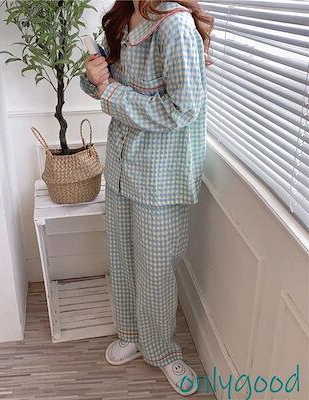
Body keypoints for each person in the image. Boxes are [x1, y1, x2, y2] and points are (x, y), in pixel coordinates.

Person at [79, 0, 213, 396]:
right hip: (122, 163)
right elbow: (102, 84)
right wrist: (93, 75)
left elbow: (183, 109)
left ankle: (162, 350)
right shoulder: (124, 14)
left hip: (160, 173)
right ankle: (131, 333)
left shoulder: (175, 27)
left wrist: (110, 90)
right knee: (121, 255)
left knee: (155, 268)